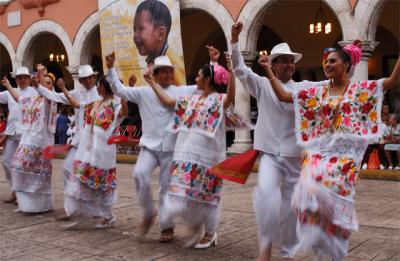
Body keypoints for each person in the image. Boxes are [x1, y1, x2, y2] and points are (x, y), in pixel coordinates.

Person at [262, 40, 400, 260]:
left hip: (345, 160)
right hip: (319, 156)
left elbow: (393, 80)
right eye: (326, 62)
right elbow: (285, 97)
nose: (327, 65)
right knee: (307, 198)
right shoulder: (318, 92)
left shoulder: (359, 90)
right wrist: (268, 70)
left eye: (332, 61)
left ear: (346, 65)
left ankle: (336, 252)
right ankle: (319, 246)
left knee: (335, 211)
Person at [230, 22, 327, 260]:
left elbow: (331, 85)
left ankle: (286, 250)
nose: (289, 64)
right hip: (270, 154)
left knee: (290, 207)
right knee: (266, 196)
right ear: (273, 64)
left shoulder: (303, 88)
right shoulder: (262, 85)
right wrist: (234, 40)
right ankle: (265, 247)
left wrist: (351, 62)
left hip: (295, 156)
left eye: (291, 60)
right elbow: (240, 69)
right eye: (283, 60)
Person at [144, 50, 246, 249]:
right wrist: (152, 83)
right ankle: (194, 225)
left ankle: (210, 233)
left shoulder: (218, 100)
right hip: (186, 155)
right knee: (182, 193)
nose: (196, 78)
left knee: (208, 197)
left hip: (209, 158)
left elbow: (230, 97)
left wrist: (232, 70)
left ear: (207, 79)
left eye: (199, 75)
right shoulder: (190, 99)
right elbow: (166, 101)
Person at [106, 52, 197, 241]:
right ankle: (148, 213)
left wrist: (214, 64)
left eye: (169, 72)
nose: (167, 75)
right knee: (139, 174)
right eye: (162, 72)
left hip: (170, 148)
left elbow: (202, 88)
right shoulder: (143, 92)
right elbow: (119, 90)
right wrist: (111, 67)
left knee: (165, 188)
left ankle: (167, 227)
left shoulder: (180, 91)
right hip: (149, 146)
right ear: (154, 75)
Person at [57, 76, 127, 228]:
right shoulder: (95, 104)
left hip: (104, 152)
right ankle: (84, 210)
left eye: (99, 84)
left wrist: (122, 95)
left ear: (104, 87)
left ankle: (108, 217)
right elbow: (76, 104)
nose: (97, 87)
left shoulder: (115, 104)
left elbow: (124, 114)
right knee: (82, 178)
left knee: (103, 185)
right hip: (89, 149)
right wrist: (63, 89)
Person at [34, 65, 101, 220]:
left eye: (90, 78)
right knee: (66, 169)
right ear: (81, 81)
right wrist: (38, 86)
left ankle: (96, 209)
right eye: (85, 79)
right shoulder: (77, 93)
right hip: (78, 140)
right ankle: (71, 209)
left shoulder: (101, 93)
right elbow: (55, 96)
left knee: (93, 175)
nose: (88, 81)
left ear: (95, 78)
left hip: (95, 141)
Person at [2, 65, 58, 213]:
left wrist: (41, 75)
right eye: (19, 78)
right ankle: (25, 201)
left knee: (40, 174)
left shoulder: (49, 97)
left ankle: (43, 204)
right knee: (18, 166)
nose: (22, 80)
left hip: (42, 141)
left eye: (49, 83)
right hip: (28, 138)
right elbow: (18, 98)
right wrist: (8, 86)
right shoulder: (31, 98)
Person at [0, 67, 38, 204]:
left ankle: (23, 192)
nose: (22, 80)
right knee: (6, 162)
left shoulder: (34, 92)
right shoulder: (8, 93)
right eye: (19, 78)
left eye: (24, 77)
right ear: (15, 79)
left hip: (26, 135)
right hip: (12, 133)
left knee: (22, 165)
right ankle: (15, 190)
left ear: (29, 78)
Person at [133, 0, 185, 85]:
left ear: (161, 34)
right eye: (134, 30)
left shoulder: (174, 67)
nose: (135, 36)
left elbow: (181, 97)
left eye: (141, 29)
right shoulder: (153, 61)